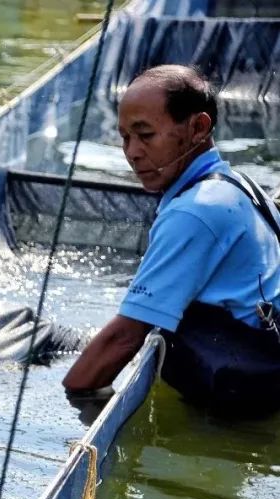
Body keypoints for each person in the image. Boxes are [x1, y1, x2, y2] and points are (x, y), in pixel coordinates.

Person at [63, 64, 280, 416]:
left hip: (250, 395)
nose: (132, 152)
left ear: (198, 128)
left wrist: (72, 399)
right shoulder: (240, 186)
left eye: (145, 135)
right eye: (124, 137)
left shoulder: (195, 211)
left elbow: (125, 336)